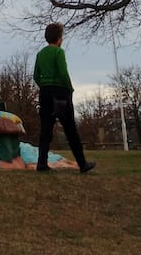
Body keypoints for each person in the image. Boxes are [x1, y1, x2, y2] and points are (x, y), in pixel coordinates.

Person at [33, 21, 96, 173]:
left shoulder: (40, 54)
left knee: (46, 130)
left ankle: (41, 164)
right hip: (60, 93)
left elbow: (36, 76)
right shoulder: (59, 52)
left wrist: (44, 85)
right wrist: (70, 88)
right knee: (70, 129)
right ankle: (82, 164)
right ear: (59, 38)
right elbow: (63, 73)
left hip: (45, 92)